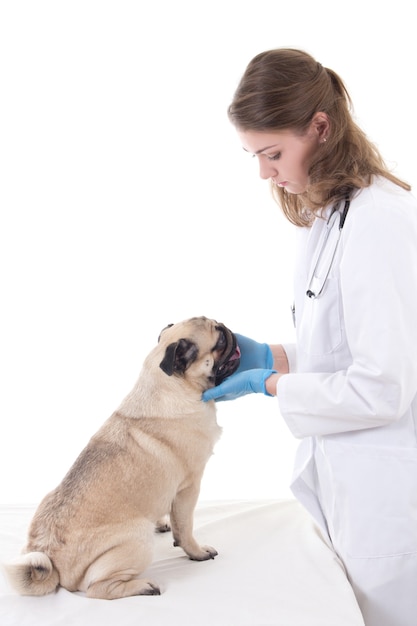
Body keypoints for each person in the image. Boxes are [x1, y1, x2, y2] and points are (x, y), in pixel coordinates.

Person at [203, 48, 417, 626]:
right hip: (348, 485)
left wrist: (272, 384)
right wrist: (271, 356)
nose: (264, 172)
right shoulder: (330, 215)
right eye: (254, 155)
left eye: (273, 153)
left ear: (320, 128)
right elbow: (343, 350)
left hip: (386, 501)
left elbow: (384, 386)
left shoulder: (379, 221)